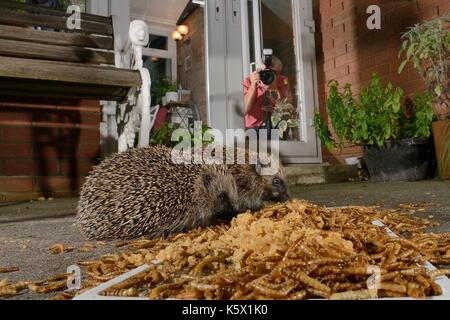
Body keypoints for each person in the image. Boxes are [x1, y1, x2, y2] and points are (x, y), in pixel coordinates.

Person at [243, 55, 293, 130]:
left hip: (276, 127)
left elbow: (287, 109)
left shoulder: (282, 80)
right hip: (253, 128)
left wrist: (275, 89)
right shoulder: (249, 81)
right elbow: (244, 110)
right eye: (267, 71)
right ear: (260, 69)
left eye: (275, 73)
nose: (270, 75)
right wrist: (253, 85)